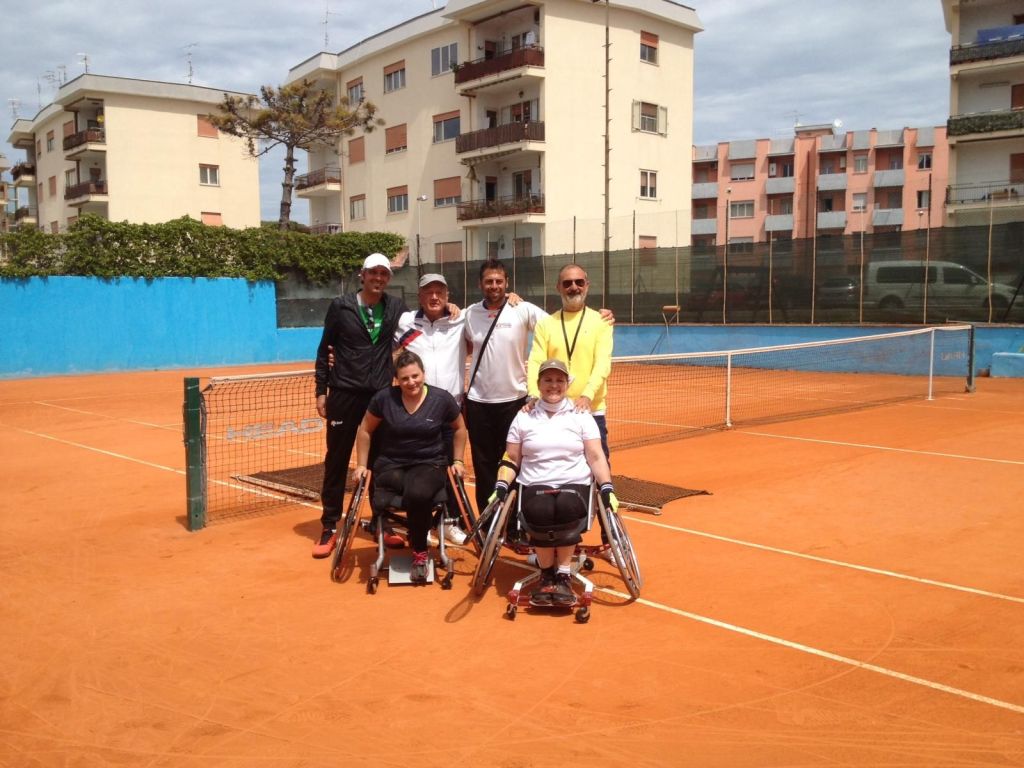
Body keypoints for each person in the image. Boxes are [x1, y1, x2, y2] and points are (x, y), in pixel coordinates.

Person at [491, 359, 617, 606]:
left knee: (568, 509)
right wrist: (501, 485)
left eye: (559, 380)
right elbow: (512, 458)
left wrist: (606, 486)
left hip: (575, 484)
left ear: (567, 384)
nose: (553, 385)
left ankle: (563, 573)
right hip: (535, 484)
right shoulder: (523, 417)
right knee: (541, 512)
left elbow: (595, 455)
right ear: (538, 384)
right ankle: (548, 573)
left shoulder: (581, 415)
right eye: (547, 380)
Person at [312, 253, 408, 558]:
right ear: (362, 275)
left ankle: (382, 521)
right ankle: (329, 525)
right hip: (343, 394)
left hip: (379, 397)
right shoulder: (340, 306)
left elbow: (422, 324)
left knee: (381, 462)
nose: (378, 278)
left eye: (384, 274)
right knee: (337, 460)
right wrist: (320, 390)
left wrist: (451, 307)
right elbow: (324, 348)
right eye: (373, 273)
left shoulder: (395, 307)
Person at [353, 350, 468, 582]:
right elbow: (365, 430)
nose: (411, 382)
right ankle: (418, 516)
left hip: (430, 463)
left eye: (415, 376)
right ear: (397, 380)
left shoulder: (441, 399)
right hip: (392, 464)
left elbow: (460, 429)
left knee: (417, 491)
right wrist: (361, 465)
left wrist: (458, 460)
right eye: (404, 378)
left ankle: (419, 553)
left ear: (423, 374)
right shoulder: (384, 399)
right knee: (412, 492)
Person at [462, 259, 548, 515]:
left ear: (507, 283)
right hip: (478, 403)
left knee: (515, 464)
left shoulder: (522, 309)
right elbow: (458, 338)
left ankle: (513, 523)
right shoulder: (470, 314)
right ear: (480, 284)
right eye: (489, 281)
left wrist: (599, 317)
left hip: (515, 403)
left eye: (499, 281)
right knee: (484, 466)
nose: (494, 286)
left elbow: (557, 326)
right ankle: (488, 522)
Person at [394, 273, 470, 545]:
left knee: (451, 469)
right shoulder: (405, 322)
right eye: (428, 292)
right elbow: (379, 347)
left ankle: (450, 522)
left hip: (450, 411)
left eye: (439, 292)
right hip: (414, 412)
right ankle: (421, 523)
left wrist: (512, 298)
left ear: (448, 296)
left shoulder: (461, 319)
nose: (434, 297)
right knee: (419, 470)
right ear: (420, 296)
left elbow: (491, 316)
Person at [527, 263, 614, 459]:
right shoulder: (545, 325)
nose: (574, 287)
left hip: (591, 411)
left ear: (587, 285)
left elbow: (602, 363)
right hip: (554, 410)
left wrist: (587, 396)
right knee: (558, 471)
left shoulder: (602, 322)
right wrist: (533, 394)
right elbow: (535, 362)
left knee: (599, 471)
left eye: (579, 282)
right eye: (567, 283)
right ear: (558, 287)